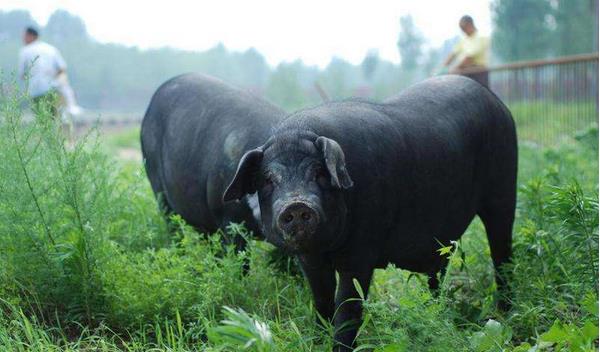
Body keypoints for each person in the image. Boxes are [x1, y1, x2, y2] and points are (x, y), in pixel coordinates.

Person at [18, 26, 67, 118]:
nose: (23, 39)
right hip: (53, 89)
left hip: (36, 91)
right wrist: (51, 77)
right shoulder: (51, 49)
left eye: (24, 36)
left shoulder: (25, 51)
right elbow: (62, 68)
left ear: (30, 36)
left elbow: (22, 75)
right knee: (56, 118)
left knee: (42, 121)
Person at [443, 15, 490, 87]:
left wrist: (454, 69)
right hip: (466, 74)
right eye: (462, 29)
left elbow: (469, 58)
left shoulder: (480, 37)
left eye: (464, 28)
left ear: (470, 25)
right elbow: (453, 54)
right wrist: (442, 68)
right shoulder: (464, 40)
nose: (463, 31)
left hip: (479, 73)